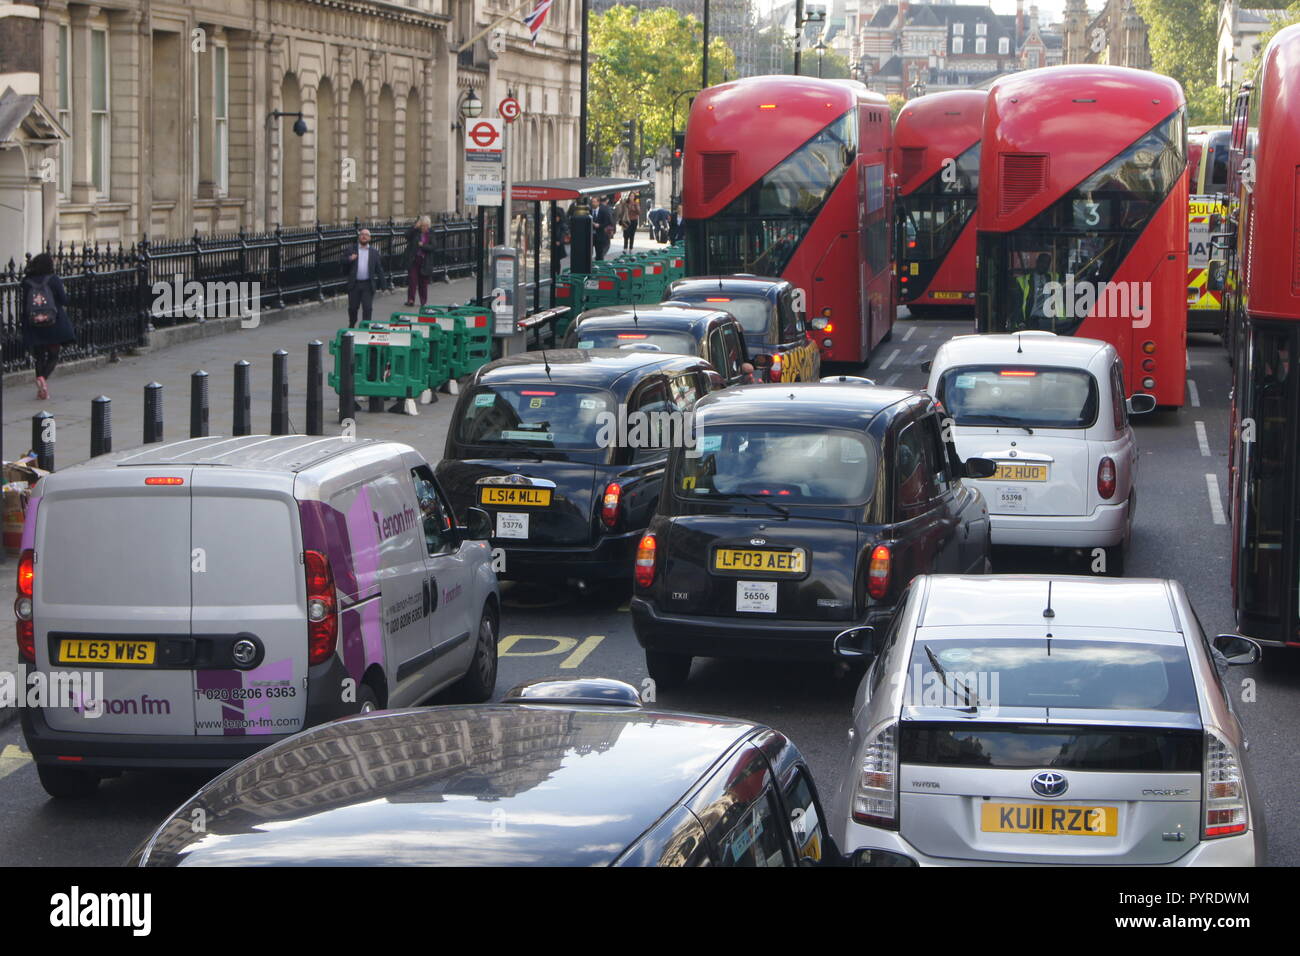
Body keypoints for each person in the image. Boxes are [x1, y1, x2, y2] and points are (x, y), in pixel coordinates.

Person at [19, 253, 76, 401]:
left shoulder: (27, 282)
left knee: (39, 357)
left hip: (34, 323)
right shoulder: (54, 279)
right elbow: (64, 300)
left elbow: (24, 304)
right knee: (53, 355)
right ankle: (43, 379)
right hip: (53, 323)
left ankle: (41, 388)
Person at [344, 227, 386, 328]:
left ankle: (365, 327)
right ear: (359, 237)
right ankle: (352, 323)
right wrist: (350, 258)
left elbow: (379, 269)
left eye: (366, 235)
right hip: (355, 284)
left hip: (368, 284)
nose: (364, 236)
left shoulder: (374, 252)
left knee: (367, 308)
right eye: (362, 234)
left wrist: (384, 284)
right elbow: (342, 261)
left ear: (369, 238)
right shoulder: (351, 249)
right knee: (353, 308)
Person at [1013, 253, 1059, 331]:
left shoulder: (1054, 278)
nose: (1044, 265)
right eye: (1042, 262)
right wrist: (1020, 322)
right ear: (1037, 262)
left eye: (1047, 263)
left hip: (1049, 321)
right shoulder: (1023, 280)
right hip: (1031, 320)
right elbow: (1017, 304)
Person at [404, 216, 435, 307]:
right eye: (422, 226)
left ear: (428, 226)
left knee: (423, 283)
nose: (424, 228)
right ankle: (411, 300)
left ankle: (423, 302)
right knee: (412, 281)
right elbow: (406, 236)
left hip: (425, 261)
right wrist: (414, 227)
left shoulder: (431, 233)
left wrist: (423, 246)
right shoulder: (416, 232)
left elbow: (433, 246)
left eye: (426, 226)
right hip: (414, 259)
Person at [592, 195, 615, 260]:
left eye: (594, 202)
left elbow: (607, 222)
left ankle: (599, 264)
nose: (593, 203)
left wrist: (599, 225)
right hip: (591, 236)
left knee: (599, 253)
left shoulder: (603, 210)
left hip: (600, 235)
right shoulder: (590, 210)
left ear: (598, 202)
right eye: (592, 202)